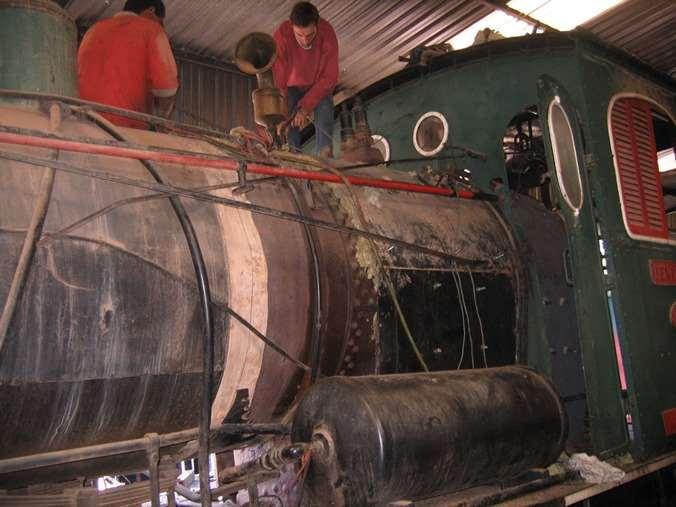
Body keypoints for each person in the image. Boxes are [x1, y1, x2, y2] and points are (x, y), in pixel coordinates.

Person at [77, 0, 178, 128]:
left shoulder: (92, 31)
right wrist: (162, 121)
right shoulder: (152, 29)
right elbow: (167, 90)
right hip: (126, 128)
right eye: (160, 20)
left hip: (85, 123)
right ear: (151, 11)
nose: (162, 25)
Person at [272, 2, 339, 157]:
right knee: (288, 124)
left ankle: (324, 157)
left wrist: (305, 108)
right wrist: (282, 115)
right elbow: (279, 78)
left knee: (325, 111)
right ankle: (293, 158)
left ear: (317, 25)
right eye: (299, 35)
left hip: (318, 85)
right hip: (292, 87)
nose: (305, 40)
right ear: (291, 26)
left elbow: (329, 77)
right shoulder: (282, 34)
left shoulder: (327, 33)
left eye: (309, 35)